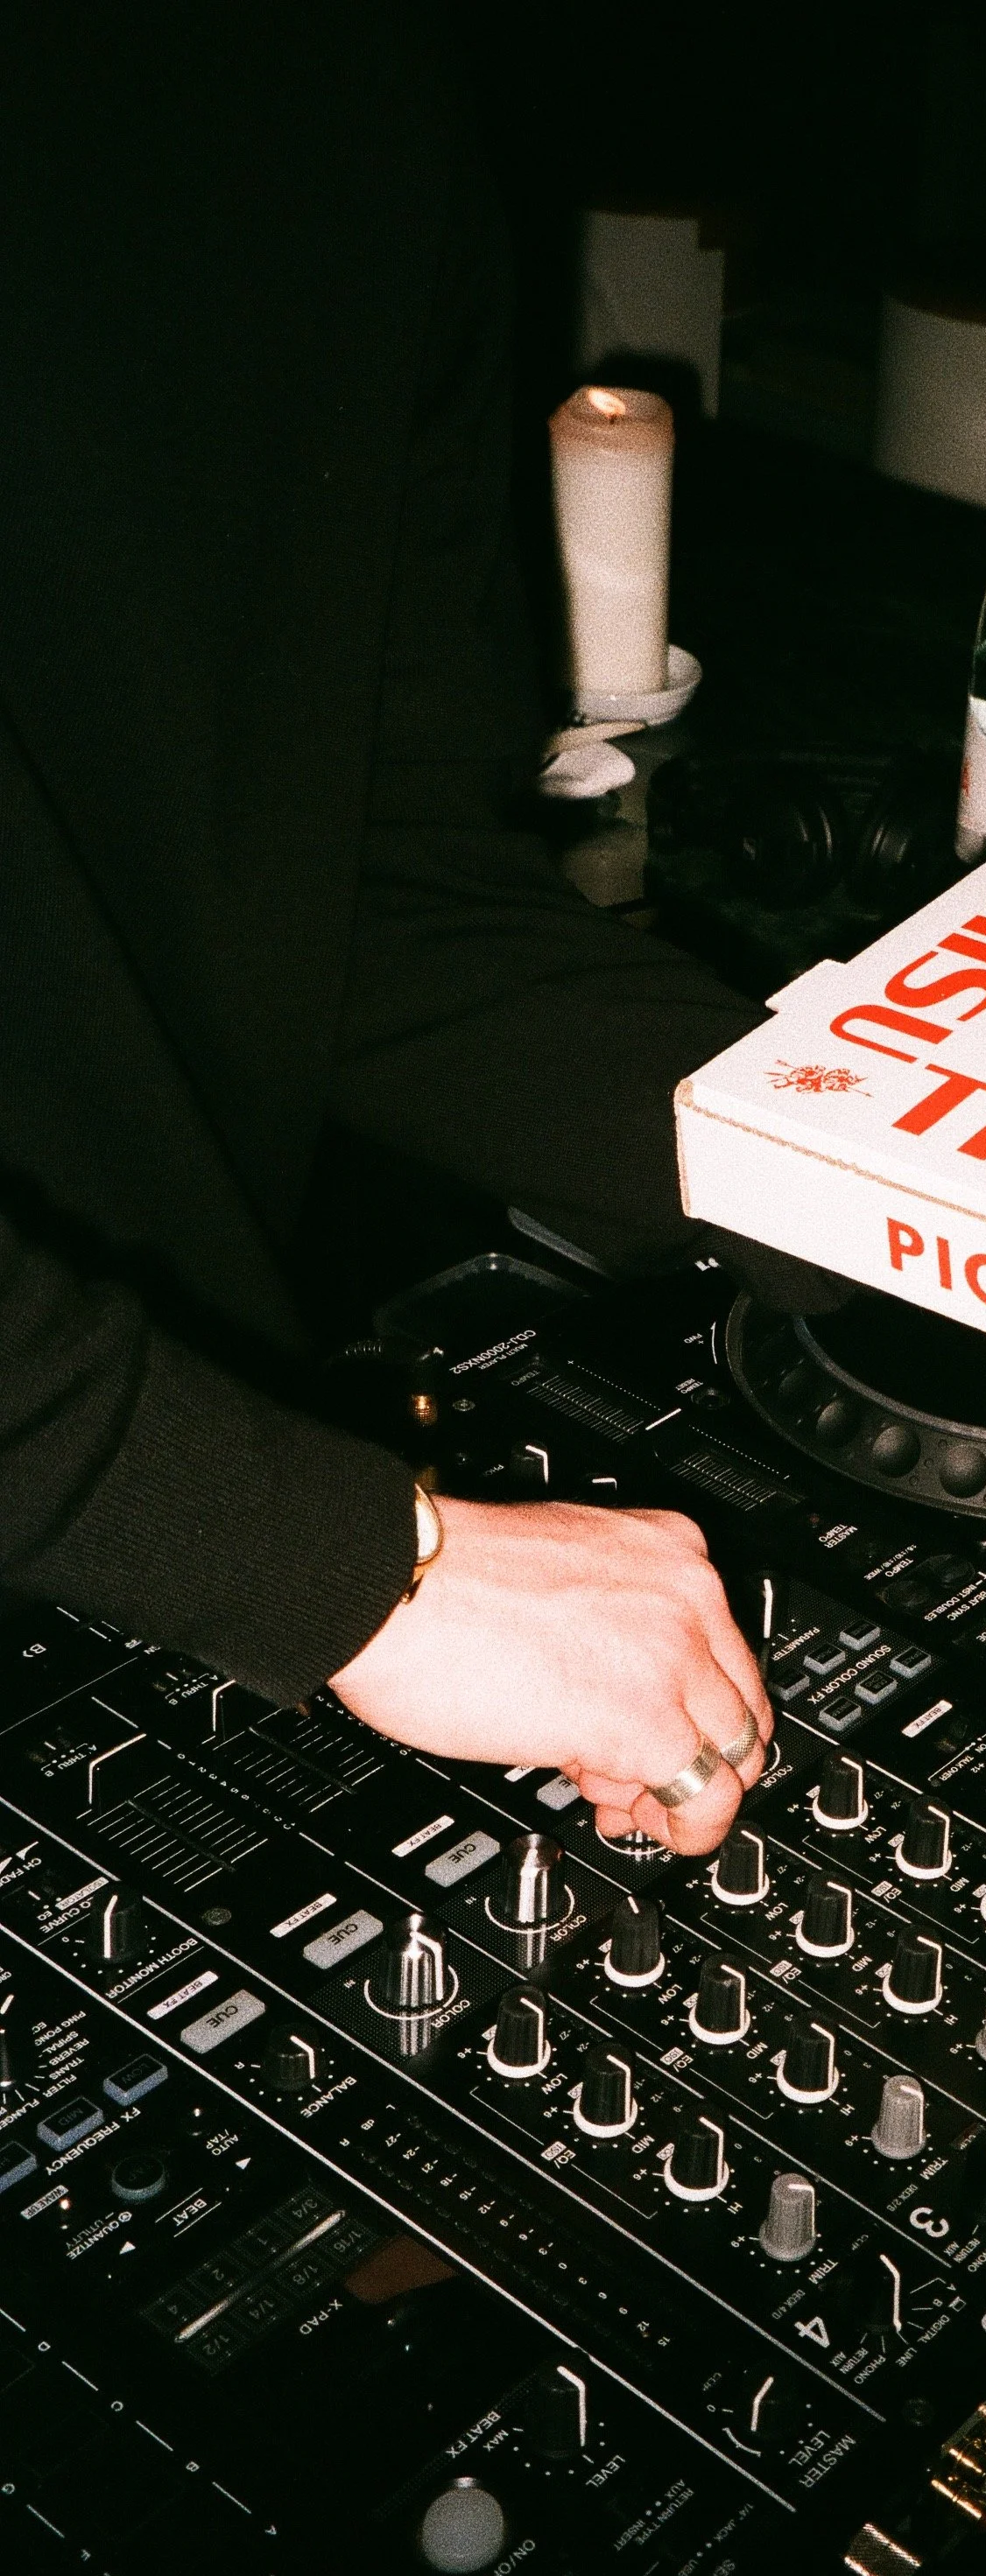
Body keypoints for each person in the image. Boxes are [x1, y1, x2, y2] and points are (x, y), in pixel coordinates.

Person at [0, 2, 821, 1849]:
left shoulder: (349, 98)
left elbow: (370, 881)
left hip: (130, 1502)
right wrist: (339, 1561)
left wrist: (893, 1173)